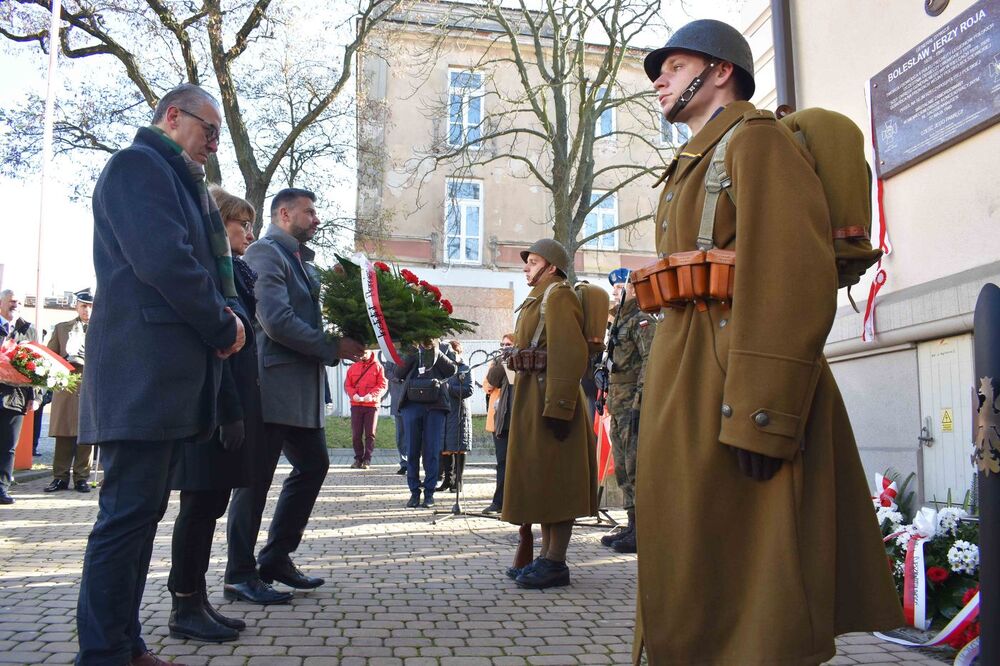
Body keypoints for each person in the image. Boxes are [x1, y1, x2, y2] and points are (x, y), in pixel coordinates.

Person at [633, 19, 904, 665]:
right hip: (691, 368)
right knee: (697, 560)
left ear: (720, 70)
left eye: (672, 65)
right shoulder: (695, 158)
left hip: (738, 377)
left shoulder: (755, 144)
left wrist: (764, 413)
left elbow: (791, 279)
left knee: (755, 586)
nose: (659, 80)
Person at [76, 83, 246, 666]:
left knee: (140, 517)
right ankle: (102, 654)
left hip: (163, 378)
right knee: (125, 518)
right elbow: (165, 261)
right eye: (209, 130)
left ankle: (124, 645)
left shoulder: (176, 178)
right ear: (173, 117)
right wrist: (222, 324)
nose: (214, 145)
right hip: (141, 373)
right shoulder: (137, 166)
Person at [225, 187, 365, 604]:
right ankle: (239, 574)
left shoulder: (301, 261)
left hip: (298, 388)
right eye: (309, 212)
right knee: (253, 481)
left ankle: (275, 557)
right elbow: (275, 320)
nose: (316, 220)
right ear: (284, 214)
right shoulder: (266, 253)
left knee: (314, 465)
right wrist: (330, 346)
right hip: (270, 387)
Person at [166, 185, 263, 643]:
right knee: (199, 507)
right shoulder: (210, 272)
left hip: (231, 403)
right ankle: (185, 602)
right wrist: (229, 412)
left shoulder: (234, 273)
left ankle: (197, 598)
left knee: (210, 506)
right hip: (213, 407)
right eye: (240, 223)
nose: (248, 231)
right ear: (216, 224)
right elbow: (218, 346)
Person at [502, 239, 597, 589]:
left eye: (534, 261)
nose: (526, 266)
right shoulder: (539, 298)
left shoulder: (557, 296)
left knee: (558, 482)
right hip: (534, 399)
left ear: (552, 266)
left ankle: (556, 562)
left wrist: (558, 407)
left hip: (552, 402)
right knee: (543, 480)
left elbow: (570, 354)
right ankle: (545, 557)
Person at [599, 269, 655, 554]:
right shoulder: (619, 319)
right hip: (617, 403)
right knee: (622, 467)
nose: (616, 292)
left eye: (622, 287)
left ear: (635, 289)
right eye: (615, 288)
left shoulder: (641, 320)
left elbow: (650, 360)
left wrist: (640, 400)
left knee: (634, 467)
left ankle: (642, 529)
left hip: (632, 402)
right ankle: (632, 525)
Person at [394, 340, 456, 508]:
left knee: (432, 451)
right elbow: (398, 373)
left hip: (435, 405)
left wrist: (434, 350)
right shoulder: (407, 347)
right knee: (412, 449)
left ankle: (429, 493)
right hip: (411, 405)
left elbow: (452, 370)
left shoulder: (443, 347)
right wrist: (412, 353)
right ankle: (414, 492)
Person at [44, 289, 94, 494]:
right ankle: (60, 477)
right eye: (83, 305)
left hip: (90, 387)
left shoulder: (103, 328)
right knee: (64, 434)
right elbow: (48, 357)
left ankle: (82, 477)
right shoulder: (62, 329)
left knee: (86, 435)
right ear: (76, 306)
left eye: (91, 306)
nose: (87, 310)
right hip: (67, 386)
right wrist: (64, 361)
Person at [0, 289, 37, 506]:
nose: (16, 305)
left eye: (20, 302)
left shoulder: (28, 330)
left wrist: (35, 395)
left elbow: (37, 366)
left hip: (16, 396)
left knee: (8, 445)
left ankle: (2, 488)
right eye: (13, 301)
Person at [482, 333, 514, 514]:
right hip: (499, 419)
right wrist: (502, 362)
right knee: (501, 461)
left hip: (515, 418)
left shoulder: (518, 359)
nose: (504, 347)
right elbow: (488, 384)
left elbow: (514, 381)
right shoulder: (496, 361)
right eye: (502, 344)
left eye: (508, 344)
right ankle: (499, 502)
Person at [437, 340, 473, 495]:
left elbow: (469, 390)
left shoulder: (465, 368)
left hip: (459, 412)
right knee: (445, 448)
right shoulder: (441, 369)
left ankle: (458, 482)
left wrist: (449, 388)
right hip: (443, 410)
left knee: (459, 447)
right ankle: (447, 480)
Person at [343, 349, 387, 469]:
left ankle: (367, 459)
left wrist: (372, 395)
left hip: (371, 406)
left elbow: (382, 384)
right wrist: (353, 395)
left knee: (370, 434)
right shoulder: (353, 367)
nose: (362, 355)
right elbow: (348, 384)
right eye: (360, 353)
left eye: (365, 352)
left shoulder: (378, 367)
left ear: (370, 352)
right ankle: (358, 459)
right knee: (356, 434)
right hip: (356, 405)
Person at [383, 356, 407, 474]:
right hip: (397, 402)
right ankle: (404, 463)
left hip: (413, 400)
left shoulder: (415, 352)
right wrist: (399, 378)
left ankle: (413, 462)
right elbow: (387, 372)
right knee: (401, 436)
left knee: (414, 435)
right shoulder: (392, 355)